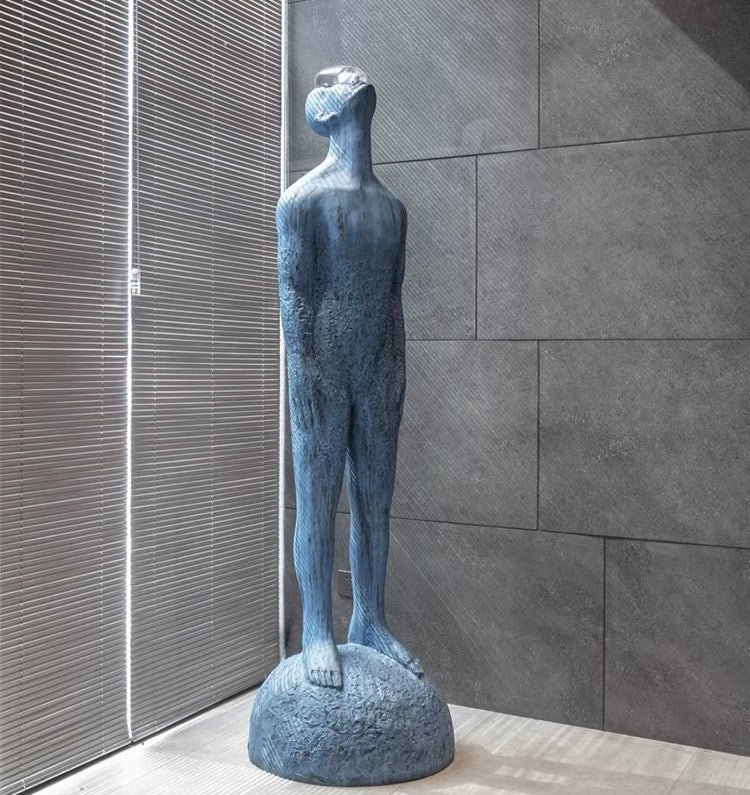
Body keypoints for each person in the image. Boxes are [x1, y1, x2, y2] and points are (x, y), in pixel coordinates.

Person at [277, 65, 423, 688]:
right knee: (317, 500)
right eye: (337, 77)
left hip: (379, 368)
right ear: (328, 110)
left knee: (375, 502)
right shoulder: (302, 201)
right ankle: (316, 627)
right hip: (322, 370)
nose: (352, 77)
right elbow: (295, 299)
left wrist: (396, 370)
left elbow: (393, 300)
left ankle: (370, 619)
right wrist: (306, 377)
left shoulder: (392, 210)